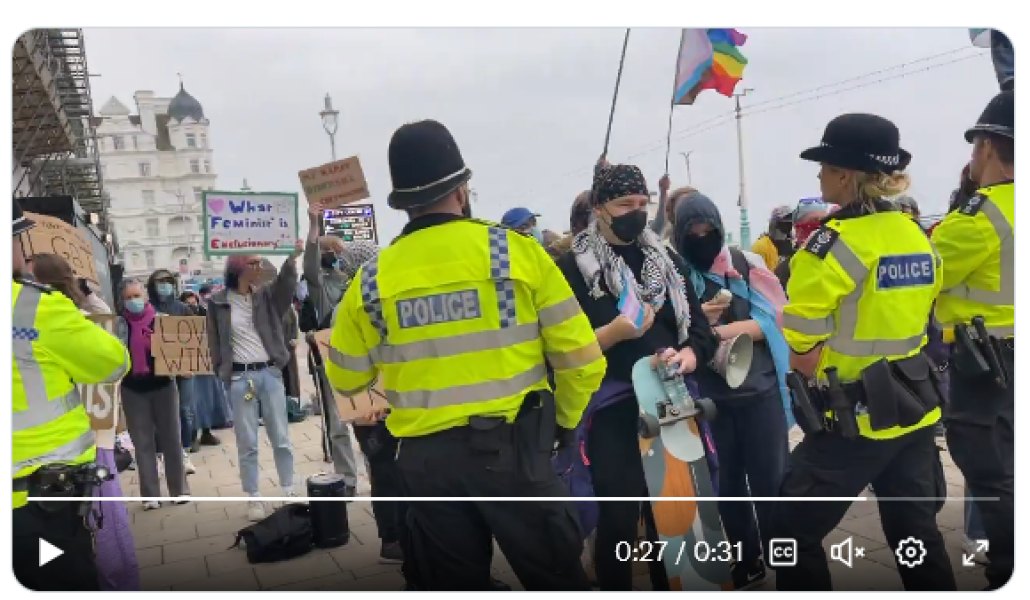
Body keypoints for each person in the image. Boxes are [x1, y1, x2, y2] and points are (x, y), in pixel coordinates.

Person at [326, 119, 605, 591]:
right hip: (517, 452)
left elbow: (348, 380)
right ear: (462, 189)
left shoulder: (371, 280)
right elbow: (582, 358)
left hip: (426, 462)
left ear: (403, 202)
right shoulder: (515, 252)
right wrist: (563, 425)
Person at [770, 113, 955, 591]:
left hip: (850, 423)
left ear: (846, 175)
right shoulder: (914, 233)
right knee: (916, 538)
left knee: (788, 533)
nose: (819, 175)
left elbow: (802, 345)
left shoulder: (829, 247)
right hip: (913, 413)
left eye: (825, 166)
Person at [554, 160, 718, 591]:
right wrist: (613, 334)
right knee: (619, 519)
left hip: (669, 397)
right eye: (626, 203)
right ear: (601, 207)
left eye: (643, 203)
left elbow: (699, 326)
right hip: (611, 408)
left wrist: (689, 354)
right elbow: (560, 346)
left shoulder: (665, 259)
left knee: (675, 517)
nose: (637, 212)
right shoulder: (572, 267)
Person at [672, 192, 793, 589]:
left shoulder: (745, 265)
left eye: (709, 230)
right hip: (710, 402)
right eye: (693, 232)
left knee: (770, 481)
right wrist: (696, 326)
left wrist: (711, 332)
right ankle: (746, 559)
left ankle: (785, 557)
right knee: (726, 486)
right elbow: (669, 333)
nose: (702, 238)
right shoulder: (674, 277)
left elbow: (773, 322)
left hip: (760, 395)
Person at [12, 198, 132, 590]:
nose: (22, 252)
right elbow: (112, 363)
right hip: (37, 500)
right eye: (16, 241)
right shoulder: (31, 310)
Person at [930, 90, 1014, 590]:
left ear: (985, 147)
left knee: (989, 471)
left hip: (987, 362)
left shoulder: (980, 217)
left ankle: (1008, 569)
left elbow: (923, 277)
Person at [32, 252, 142, 590]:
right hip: (83, 441)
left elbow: (109, 338)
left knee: (94, 523)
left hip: (80, 443)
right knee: (103, 521)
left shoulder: (58, 322)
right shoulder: (69, 320)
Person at [206, 242, 303, 521]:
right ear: (238, 268)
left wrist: (292, 257)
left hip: (270, 373)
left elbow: (286, 284)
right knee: (247, 441)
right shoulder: (217, 301)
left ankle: (288, 489)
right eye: (254, 263)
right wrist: (221, 370)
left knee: (281, 437)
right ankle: (254, 497)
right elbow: (213, 339)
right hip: (240, 377)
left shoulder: (266, 296)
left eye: (261, 263)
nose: (259, 268)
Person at [117, 278, 192, 509]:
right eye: (128, 298)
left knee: (171, 439)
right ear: (122, 300)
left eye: (136, 296)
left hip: (163, 387)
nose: (133, 301)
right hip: (133, 389)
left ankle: (179, 490)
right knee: (142, 443)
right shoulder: (118, 325)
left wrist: (185, 367)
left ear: (146, 297)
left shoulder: (163, 322)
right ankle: (150, 494)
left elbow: (181, 352)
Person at [300, 204, 360, 492]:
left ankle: (379, 475)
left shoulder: (356, 281)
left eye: (339, 252)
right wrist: (315, 227)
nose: (335, 256)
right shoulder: (320, 286)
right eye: (330, 251)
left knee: (369, 421)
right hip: (331, 360)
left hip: (362, 361)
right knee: (338, 427)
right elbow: (309, 261)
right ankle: (348, 480)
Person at [147, 270, 200, 474]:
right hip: (157, 371)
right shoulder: (147, 309)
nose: (164, 285)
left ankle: (183, 453)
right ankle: (161, 455)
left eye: (167, 281)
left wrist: (189, 364)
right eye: (159, 282)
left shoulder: (183, 309)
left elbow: (193, 339)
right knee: (159, 416)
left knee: (185, 411)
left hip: (183, 370)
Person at [773, 199, 836, 289]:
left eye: (825, 221)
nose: (821, 227)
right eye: (814, 221)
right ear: (798, 229)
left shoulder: (836, 261)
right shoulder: (786, 270)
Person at [750, 205, 794, 271]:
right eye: (786, 221)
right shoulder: (761, 246)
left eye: (791, 221)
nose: (789, 224)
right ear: (775, 223)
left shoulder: (793, 244)